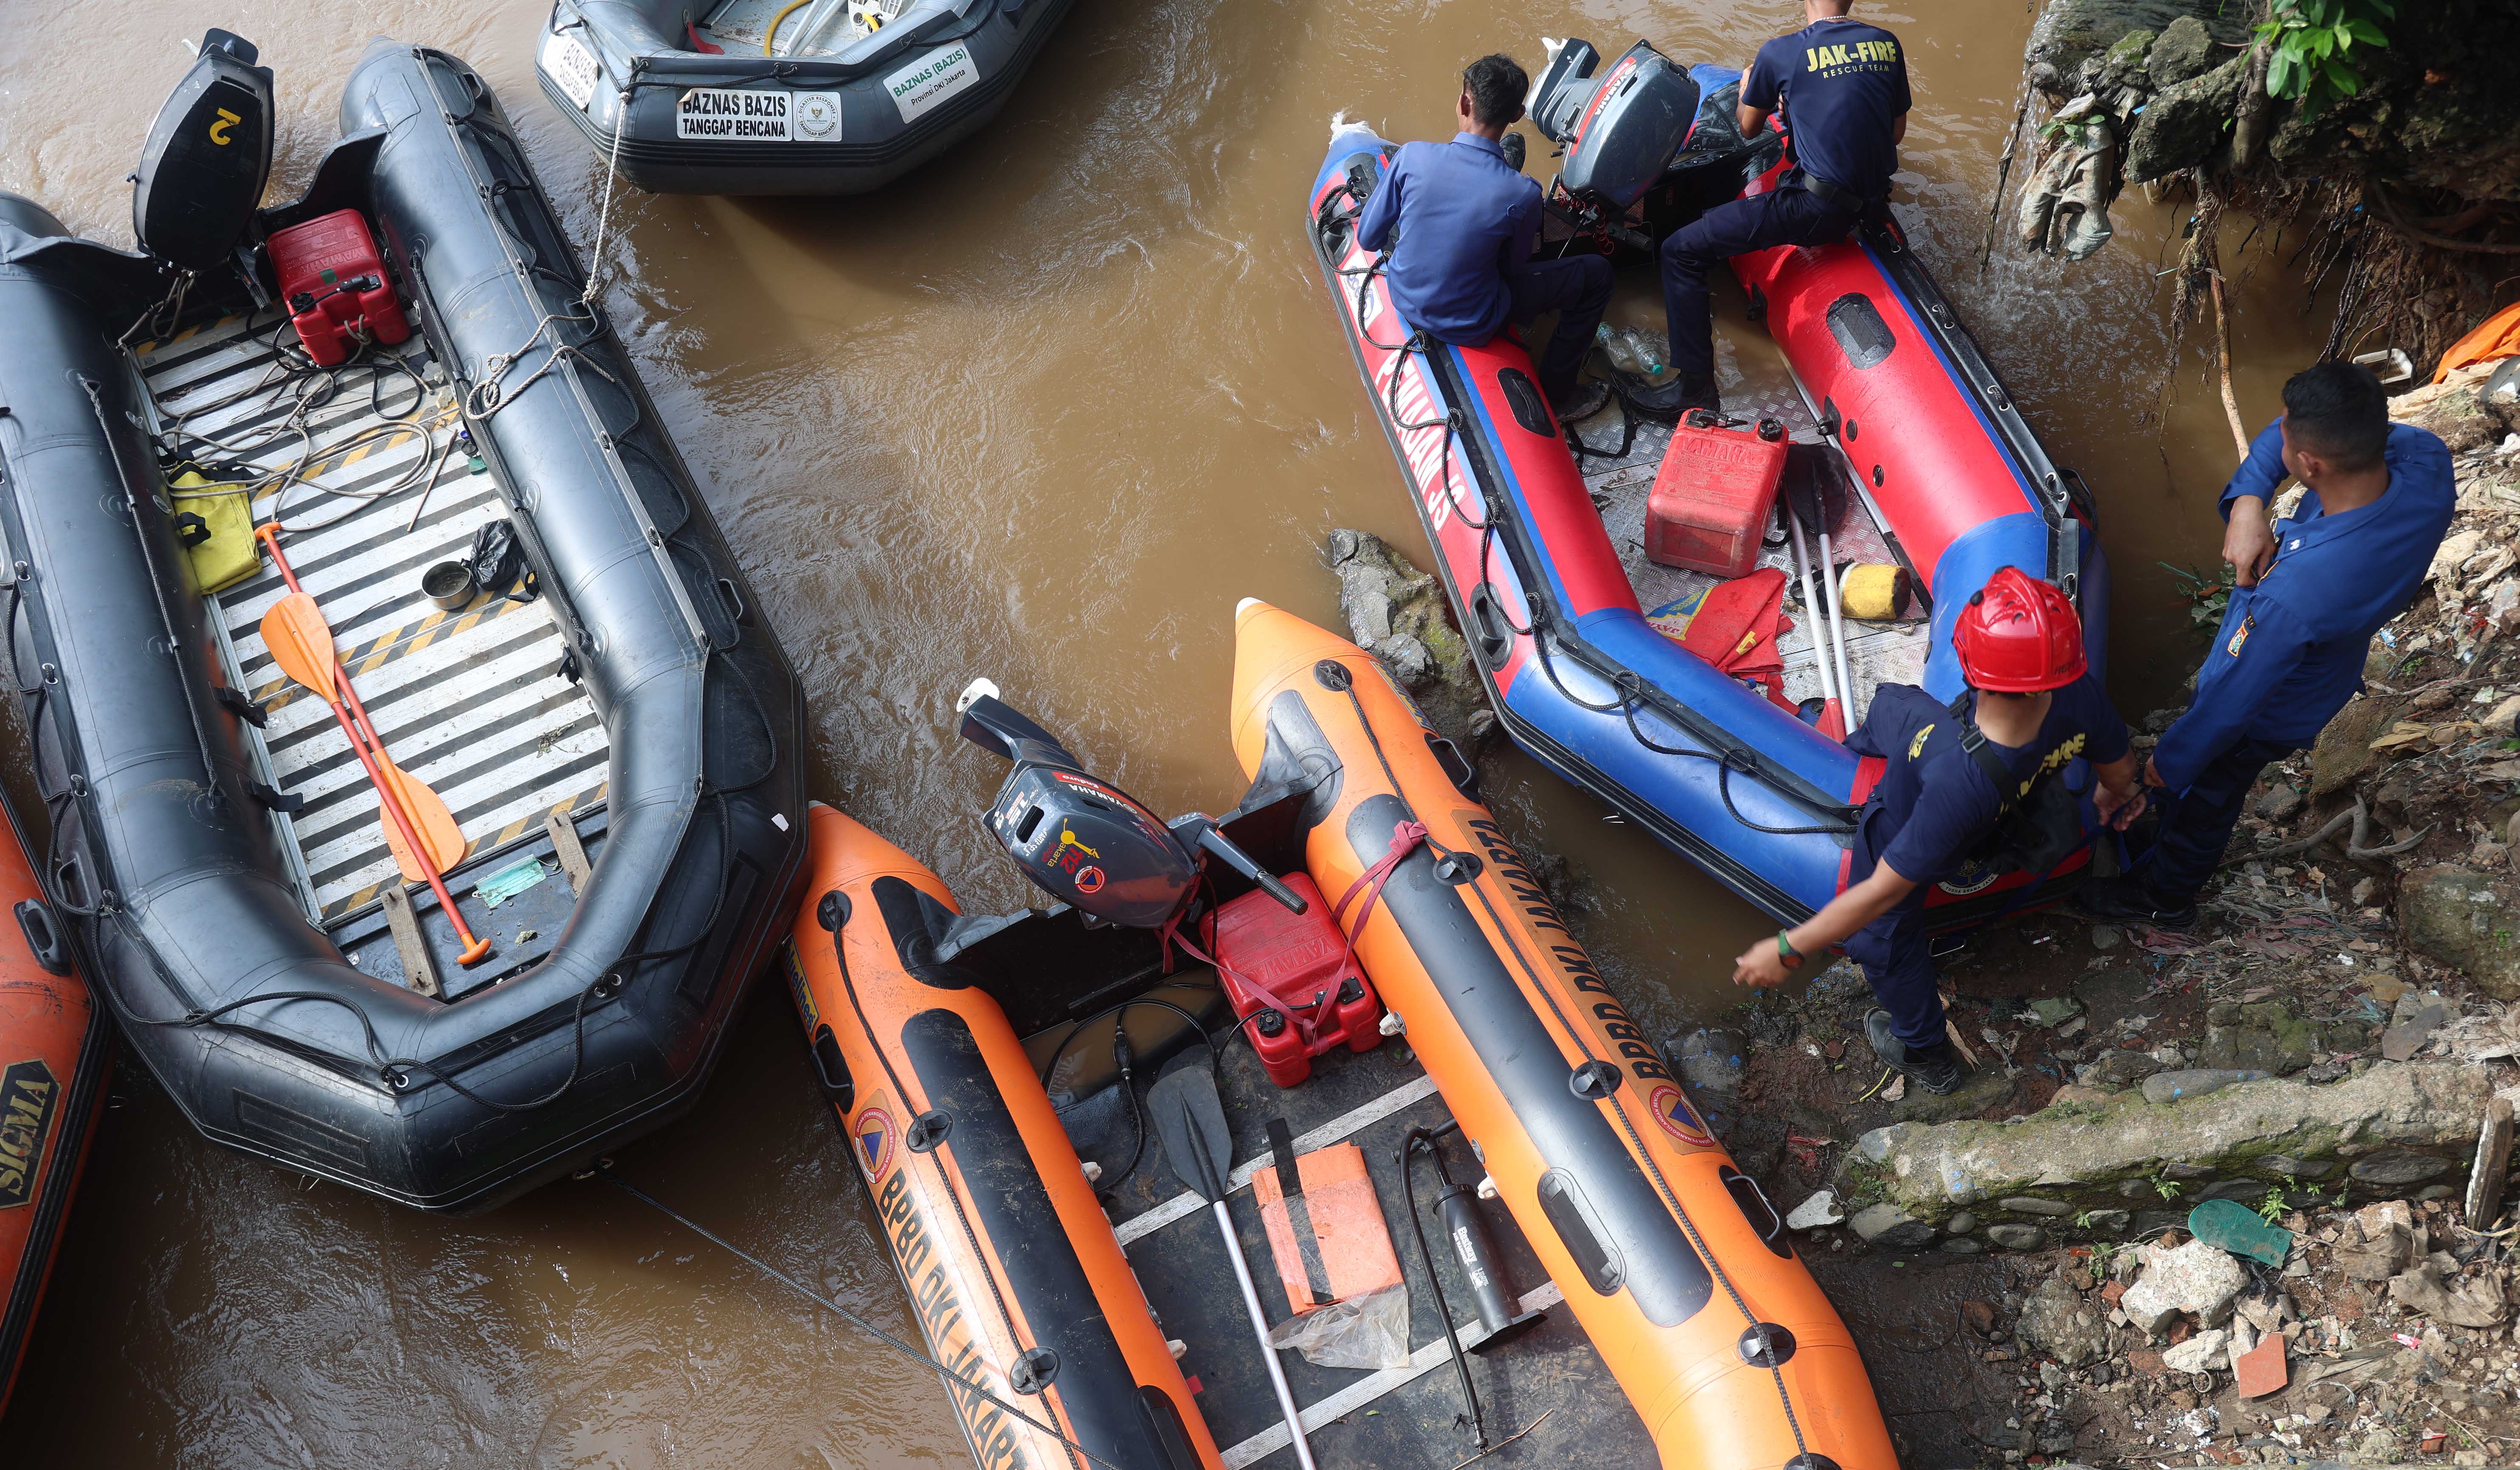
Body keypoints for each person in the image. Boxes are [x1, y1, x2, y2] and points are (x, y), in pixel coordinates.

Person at [1731, 569, 2145, 1094]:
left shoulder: (1956, 785)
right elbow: (2117, 765)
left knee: (1883, 942)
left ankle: (1926, 1053)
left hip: (1917, 806)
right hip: (1967, 756)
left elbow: (1879, 893)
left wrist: (1789, 947)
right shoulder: (2075, 693)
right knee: (1892, 703)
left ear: (1972, 669)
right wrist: (2117, 792)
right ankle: (1837, 739)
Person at [2082, 362, 2456, 930]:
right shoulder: (2423, 462)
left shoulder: (2298, 592)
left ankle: (2164, 896)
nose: (2272, 437)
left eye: (2286, 440)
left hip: (2273, 704)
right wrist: (2249, 502)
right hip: (2324, 666)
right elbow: (2282, 436)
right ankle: (2164, 819)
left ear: (2310, 465)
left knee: (2210, 786)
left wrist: (2157, 769)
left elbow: (2229, 703)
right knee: (2204, 768)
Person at [1624, 0, 1909, 421]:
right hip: (1868, 202)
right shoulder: (1885, 43)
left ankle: (1694, 389)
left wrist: (1746, 90)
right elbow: (1895, 131)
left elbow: (1747, 128)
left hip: (1814, 207)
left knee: (1680, 251)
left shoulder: (1780, 52)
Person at [1355, 54, 1613, 422]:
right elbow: (1513, 267)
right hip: (1473, 322)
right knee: (1598, 274)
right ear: (1518, 114)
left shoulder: (1413, 156)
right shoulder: (1524, 194)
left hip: (1403, 297)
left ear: (1464, 102)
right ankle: (1558, 394)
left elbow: (1368, 236)